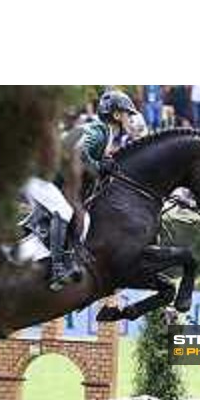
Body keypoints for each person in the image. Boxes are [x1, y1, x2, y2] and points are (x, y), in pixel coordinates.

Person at [22, 89, 139, 292]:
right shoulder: (99, 131)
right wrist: (99, 166)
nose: (131, 119)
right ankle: (58, 270)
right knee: (64, 212)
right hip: (41, 177)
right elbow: (81, 152)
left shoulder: (104, 133)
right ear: (117, 115)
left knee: (57, 216)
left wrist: (101, 165)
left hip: (45, 177)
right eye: (129, 114)